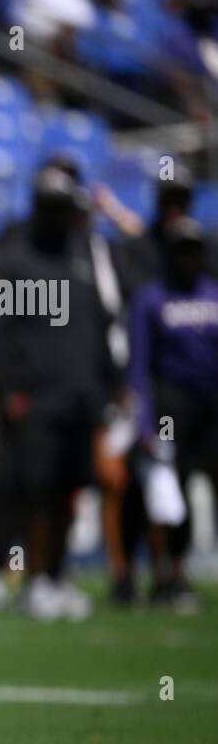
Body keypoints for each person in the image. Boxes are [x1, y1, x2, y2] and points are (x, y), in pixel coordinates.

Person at [0, 165, 117, 621]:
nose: (58, 217)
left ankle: (59, 576)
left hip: (80, 393)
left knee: (69, 491)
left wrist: (105, 386)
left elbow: (99, 323)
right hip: (36, 396)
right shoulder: (15, 258)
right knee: (36, 491)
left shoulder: (82, 254)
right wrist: (11, 389)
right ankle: (35, 578)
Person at [125, 217, 218, 613]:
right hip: (170, 406)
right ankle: (169, 574)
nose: (188, 258)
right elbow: (139, 364)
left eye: (194, 250)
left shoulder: (213, 293)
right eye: (182, 249)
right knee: (171, 493)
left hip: (212, 408)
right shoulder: (152, 298)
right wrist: (145, 422)